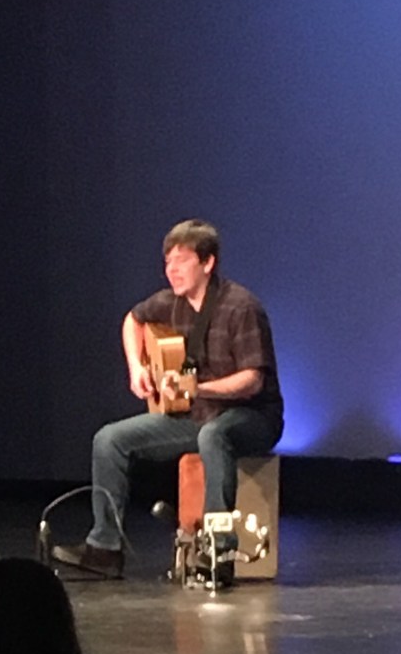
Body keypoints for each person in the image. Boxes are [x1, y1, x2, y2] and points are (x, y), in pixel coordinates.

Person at [53, 218, 283, 584]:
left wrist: (197, 388)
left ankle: (217, 549)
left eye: (181, 260)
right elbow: (133, 320)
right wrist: (136, 368)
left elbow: (252, 381)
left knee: (214, 435)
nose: (171, 270)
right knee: (110, 439)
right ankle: (105, 549)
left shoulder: (241, 307)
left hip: (251, 417)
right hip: (198, 415)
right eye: (167, 262)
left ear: (207, 263)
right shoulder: (170, 303)